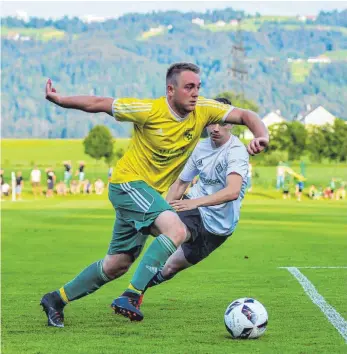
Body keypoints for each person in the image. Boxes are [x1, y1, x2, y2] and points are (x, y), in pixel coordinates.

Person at [40, 62, 269, 327]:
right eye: (188, 87)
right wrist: (60, 100)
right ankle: (132, 295)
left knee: (117, 264)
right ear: (171, 90)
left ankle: (56, 299)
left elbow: (246, 115)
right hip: (128, 184)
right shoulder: (149, 110)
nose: (195, 93)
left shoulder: (205, 110)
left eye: (198, 87)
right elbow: (100, 103)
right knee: (176, 230)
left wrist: (261, 135)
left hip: (147, 195)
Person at [126, 97, 249, 310]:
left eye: (222, 122)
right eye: (212, 122)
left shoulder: (236, 151)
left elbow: (232, 191)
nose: (216, 128)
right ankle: (131, 294)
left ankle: (138, 291)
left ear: (231, 124)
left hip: (219, 227)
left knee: (170, 268)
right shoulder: (200, 148)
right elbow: (181, 184)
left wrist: (196, 203)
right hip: (194, 208)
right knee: (173, 231)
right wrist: (161, 211)